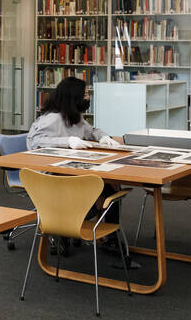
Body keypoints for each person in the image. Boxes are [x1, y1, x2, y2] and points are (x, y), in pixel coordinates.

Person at [25, 76, 124, 235]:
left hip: (71, 170)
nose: (87, 97)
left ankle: (108, 237)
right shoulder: (52, 119)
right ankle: (65, 226)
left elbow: (92, 130)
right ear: (73, 97)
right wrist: (68, 141)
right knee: (98, 194)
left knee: (110, 191)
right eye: (84, 94)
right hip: (52, 174)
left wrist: (104, 137)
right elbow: (36, 142)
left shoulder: (75, 116)